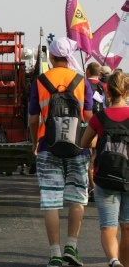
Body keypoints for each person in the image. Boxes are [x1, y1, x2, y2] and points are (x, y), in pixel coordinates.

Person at [28, 37, 93, 267]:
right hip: (78, 148)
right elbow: (89, 118)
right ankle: (71, 248)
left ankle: (55, 254)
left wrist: (36, 141)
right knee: (77, 199)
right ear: (68, 57)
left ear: (52, 57)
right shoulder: (81, 80)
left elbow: (34, 119)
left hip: (48, 146)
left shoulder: (40, 81)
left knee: (51, 202)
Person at [81, 72, 129, 267]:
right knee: (127, 227)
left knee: (108, 227)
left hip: (105, 177)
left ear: (107, 90)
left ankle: (113, 260)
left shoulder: (99, 117)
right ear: (126, 91)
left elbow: (84, 142)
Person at [86, 62, 109, 201]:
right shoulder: (104, 86)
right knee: (98, 154)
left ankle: (93, 186)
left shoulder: (84, 84)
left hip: (88, 123)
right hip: (104, 123)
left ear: (88, 71)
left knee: (89, 157)